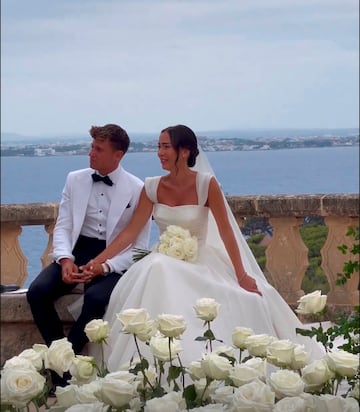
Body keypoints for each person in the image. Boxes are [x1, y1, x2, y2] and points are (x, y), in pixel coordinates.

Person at [82, 124, 324, 369]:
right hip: (162, 259)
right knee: (158, 268)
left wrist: (241, 275)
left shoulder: (206, 184)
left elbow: (227, 231)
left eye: (165, 147)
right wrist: (98, 261)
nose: (159, 152)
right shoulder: (152, 186)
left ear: (184, 152)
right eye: (158, 146)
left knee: (247, 297)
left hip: (201, 261)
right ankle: (154, 357)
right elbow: (130, 233)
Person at [27, 124, 151, 373]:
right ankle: (60, 357)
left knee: (95, 300)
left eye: (98, 149)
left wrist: (105, 266)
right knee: (37, 292)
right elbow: (63, 226)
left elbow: (138, 247)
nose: (91, 153)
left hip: (113, 256)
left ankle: (62, 367)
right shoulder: (75, 179)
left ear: (118, 155)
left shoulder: (138, 189)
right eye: (92, 147)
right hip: (77, 249)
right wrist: (64, 259)